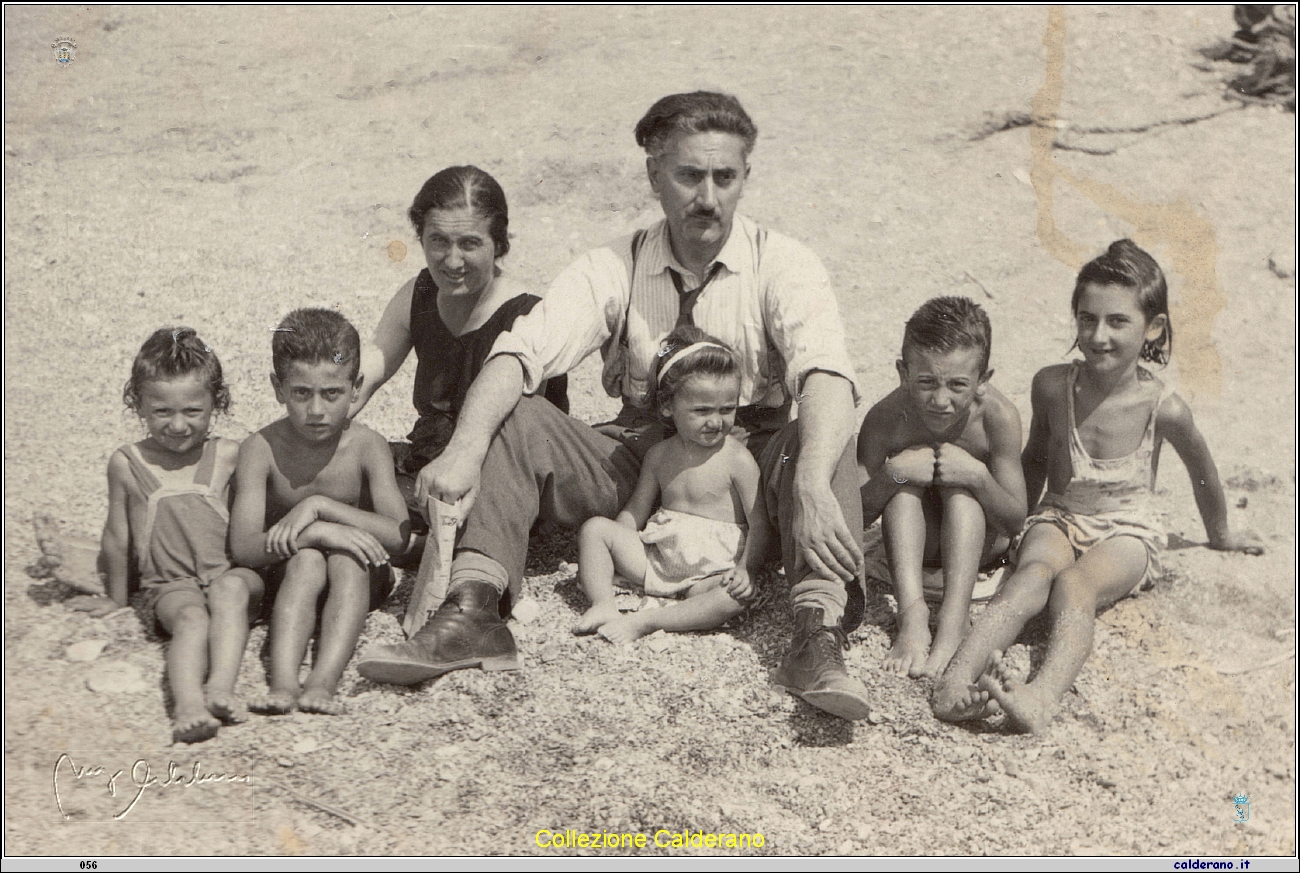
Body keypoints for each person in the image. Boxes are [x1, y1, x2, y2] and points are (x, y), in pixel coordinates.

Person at [358, 91, 873, 721]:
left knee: (824, 433)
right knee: (516, 413)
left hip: (751, 455)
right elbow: (522, 353)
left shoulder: (784, 263)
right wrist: (465, 449)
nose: (707, 198)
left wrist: (814, 485)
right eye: (688, 176)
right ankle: (473, 609)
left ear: (745, 178)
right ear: (654, 175)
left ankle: (815, 633)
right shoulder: (614, 264)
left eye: (724, 177)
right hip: (645, 456)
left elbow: (826, 373)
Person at [931, 240, 1264, 732]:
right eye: (1087, 319)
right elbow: (1036, 462)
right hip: (1060, 514)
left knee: (1076, 585)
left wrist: (1220, 535)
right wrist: (1008, 526)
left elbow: (1204, 472)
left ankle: (1041, 698)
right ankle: (956, 682)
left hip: (1127, 529)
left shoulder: (1163, 408)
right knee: (1032, 574)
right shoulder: (1052, 387)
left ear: (1154, 328)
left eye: (1117, 321)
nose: (1098, 335)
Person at [348, 165, 567, 535]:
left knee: (348, 497)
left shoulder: (528, 315)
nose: (451, 261)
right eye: (437, 241)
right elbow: (365, 371)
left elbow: (512, 441)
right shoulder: (419, 293)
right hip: (428, 462)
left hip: (497, 478)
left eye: (469, 243)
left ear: (499, 244)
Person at [231, 308, 409, 715]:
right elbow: (243, 548)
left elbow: (398, 537)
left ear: (355, 386)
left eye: (332, 394)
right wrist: (314, 534)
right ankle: (282, 684)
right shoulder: (260, 449)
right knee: (309, 559)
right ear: (278, 388)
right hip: (289, 576)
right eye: (301, 393)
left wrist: (319, 507)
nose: (316, 410)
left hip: (362, 575)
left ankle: (323, 682)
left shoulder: (367, 446)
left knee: (346, 560)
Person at [98, 327, 262, 744]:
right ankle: (188, 705)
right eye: (161, 412)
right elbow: (118, 537)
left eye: (192, 411)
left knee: (229, 591)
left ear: (217, 403)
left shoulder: (228, 455)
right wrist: (116, 599)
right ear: (137, 404)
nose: (177, 425)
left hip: (230, 574)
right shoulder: (127, 463)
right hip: (169, 585)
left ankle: (221, 687)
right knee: (191, 620)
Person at [857, 297, 1027, 679]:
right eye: (926, 382)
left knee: (963, 493)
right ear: (903, 373)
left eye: (957, 385)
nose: (940, 400)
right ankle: (912, 617)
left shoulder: (998, 418)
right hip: (909, 561)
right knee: (903, 489)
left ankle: (953, 621)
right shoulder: (886, 417)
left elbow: (1015, 520)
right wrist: (894, 475)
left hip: (977, 559)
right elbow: (856, 513)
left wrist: (978, 477)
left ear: (983, 381)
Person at [574, 326, 769, 643]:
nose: (716, 421)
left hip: (711, 570)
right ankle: (603, 604)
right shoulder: (660, 455)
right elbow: (635, 510)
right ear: (668, 407)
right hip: (659, 559)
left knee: (730, 597)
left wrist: (746, 569)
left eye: (727, 409)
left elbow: (759, 524)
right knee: (595, 529)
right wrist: (620, 539)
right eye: (702, 411)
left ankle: (649, 621)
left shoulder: (738, 460)